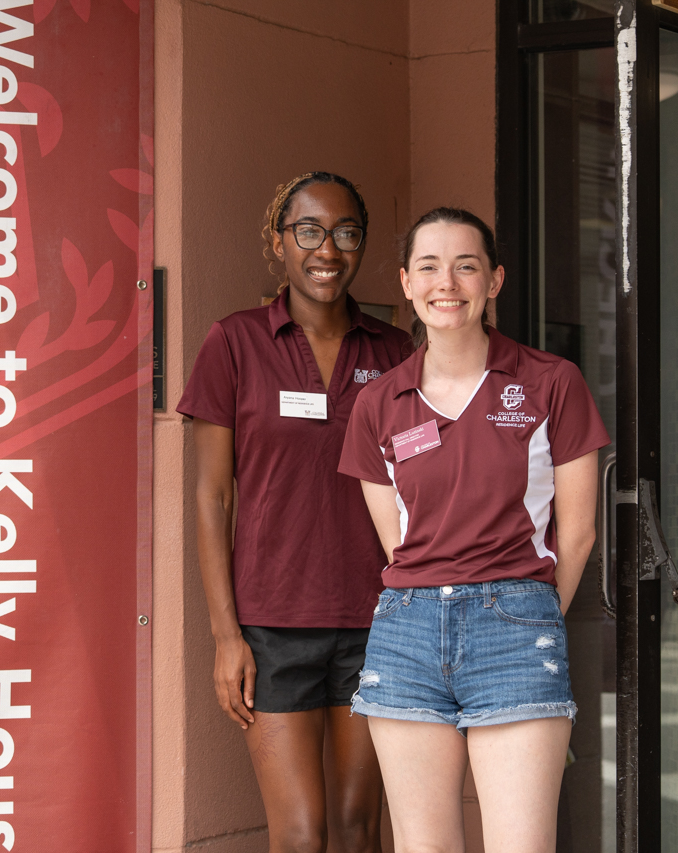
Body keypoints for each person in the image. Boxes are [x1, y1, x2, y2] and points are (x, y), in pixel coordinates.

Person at [338, 208, 610, 853]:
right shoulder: (379, 402)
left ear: (495, 281)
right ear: (406, 282)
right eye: (429, 266)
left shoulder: (550, 382)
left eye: (467, 265)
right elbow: (395, 542)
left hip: (515, 624)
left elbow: (577, 535)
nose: (447, 282)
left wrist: (533, 614)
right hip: (405, 631)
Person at [177, 172, 413, 853]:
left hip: (378, 625)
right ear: (278, 242)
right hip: (273, 627)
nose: (328, 250)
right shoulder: (235, 342)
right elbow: (212, 496)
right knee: (303, 833)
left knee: (358, 829)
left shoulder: (394, 352)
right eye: (309, 231)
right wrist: (227, 636)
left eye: (346, 233)